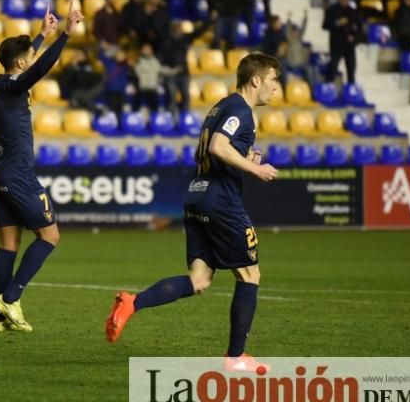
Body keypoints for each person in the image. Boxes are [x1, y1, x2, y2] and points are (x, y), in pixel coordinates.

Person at [106, 52, 280, 375]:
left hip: (196, 197)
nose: (276, 88)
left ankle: (133, 303)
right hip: (221, 203)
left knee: (199, 280)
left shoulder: (220, 107)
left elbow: (219, 150)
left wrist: (246, 158)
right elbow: (217, 146)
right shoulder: (241, 110)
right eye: (273, 80)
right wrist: (255, 170)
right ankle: (236, 357)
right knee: (250, 274)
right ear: (256, 80)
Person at [0, 3, 83, 332]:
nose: (32, 57)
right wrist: (66, 35)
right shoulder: (14, 85)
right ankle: (10, 298)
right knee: (50, 235)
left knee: (8, 244)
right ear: (21, 63)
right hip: (18, 175)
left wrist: (43, 34)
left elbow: (27, 65)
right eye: (29, 55)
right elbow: (37, 69)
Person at [158, 19, 207, 118]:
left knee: (186, 96)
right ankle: (171, 119)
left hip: (184, 73)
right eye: (176, 26)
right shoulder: (165, 39)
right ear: (172, 28)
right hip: (170, 72)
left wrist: (208, 22)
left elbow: (197, 32)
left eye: (179, 26)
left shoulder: (185, 38)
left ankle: (185, 118)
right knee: (171, 97)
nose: (178, 28)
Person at [323, 0, 362, 84]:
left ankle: (351, 89)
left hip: (349, 45)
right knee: (333, 67)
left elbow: (359, 28)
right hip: (336, 44)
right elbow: (325, 25)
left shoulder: (353, 12)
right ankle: (329, 87)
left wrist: (354, 38)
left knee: (351, 68)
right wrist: (337, 23)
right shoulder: (332, 10)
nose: (345, 1)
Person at [101, 49, 133, 117]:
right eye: (118, 55)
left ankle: (119, 123)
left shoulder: (126, 66)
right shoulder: (110, 63)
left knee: (120, 109)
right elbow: (102, 56)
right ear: (115, 56)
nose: (120, 56)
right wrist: (102, 48)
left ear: (125, 57)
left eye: (122, 55)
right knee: (112, 108)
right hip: (112, 89)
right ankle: (112, 123)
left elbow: (130, 77)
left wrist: (131, 67)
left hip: (121, 90)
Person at [134, 43, 162, 112]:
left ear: (151, 50)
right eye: (145, 49)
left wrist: (173, 71)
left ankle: (154, 120)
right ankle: (136, 120)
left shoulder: (155, 61)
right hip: (142, 87)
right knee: (137, 106)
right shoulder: (138, 61)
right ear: (142, 51)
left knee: (154, 107)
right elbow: (137, 72)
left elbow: (160, 70)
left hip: (152, 87)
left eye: (148, 49)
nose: (146, 51)